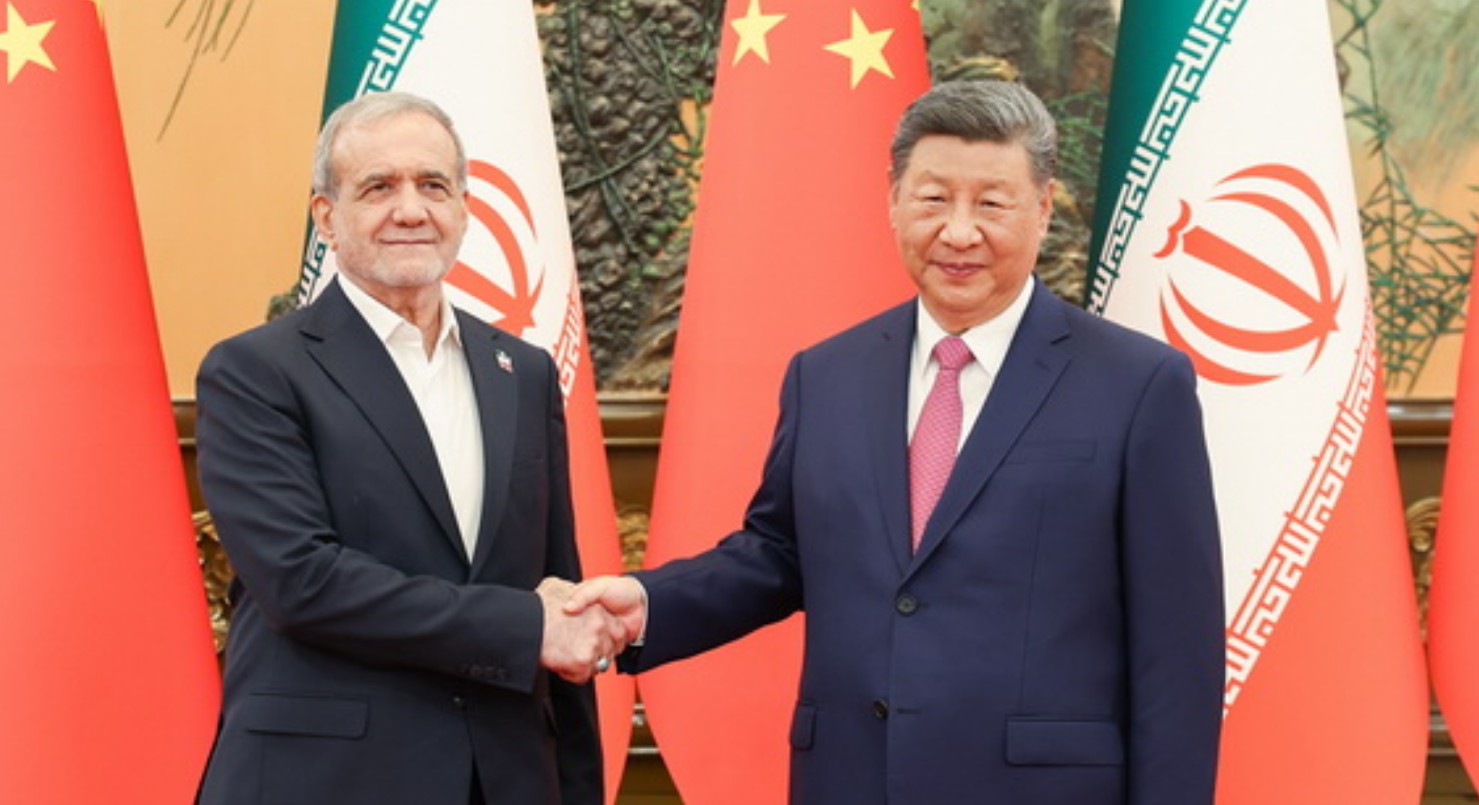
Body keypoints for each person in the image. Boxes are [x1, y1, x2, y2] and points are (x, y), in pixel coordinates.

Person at [567, 79, 1225, 804]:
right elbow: (779, 553)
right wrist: (645, 604)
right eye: (933, 198)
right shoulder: (825, 375)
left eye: (992, 204)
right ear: (893, 201)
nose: (959, 232)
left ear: (1042, 209)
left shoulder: (1138, 384)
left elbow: (1177, 651)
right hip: (851, 778)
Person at [193, 91, 624, 805]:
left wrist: (576, 787)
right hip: (328, 782)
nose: (411, 210)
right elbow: (302, 582)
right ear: (326, 217)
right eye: (378, 187)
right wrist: (524, 625)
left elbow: (558, 587)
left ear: (464, 208)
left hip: (506, 777)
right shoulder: (255, 372)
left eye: (433, 185)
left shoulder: (521, 372)